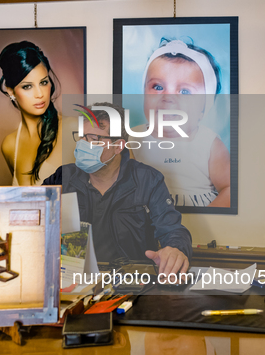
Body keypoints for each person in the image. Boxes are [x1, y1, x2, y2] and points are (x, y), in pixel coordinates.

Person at [43, 102, 192, 276]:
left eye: (93, 138)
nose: (83, 144)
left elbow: (173, 230)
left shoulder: (148, 180)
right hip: (73, 282)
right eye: (82, 137)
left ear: (118, 146)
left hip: (130, 283)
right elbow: (33, 214)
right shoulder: (63, 177)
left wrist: (175, 250)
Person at [133, 38, 231, 207]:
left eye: (185, 91)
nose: (168, 98)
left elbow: (229, 187)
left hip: (197, 221)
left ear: (204, 108)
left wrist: (212, 218)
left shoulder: (208, 144)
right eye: (157, 87)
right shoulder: (132, 141)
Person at [0, 41, 62, 186]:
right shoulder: (9, 145)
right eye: (27, 86)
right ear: (10, 91)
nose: (40, 94)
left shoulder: (74, 129)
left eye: (44, 83)